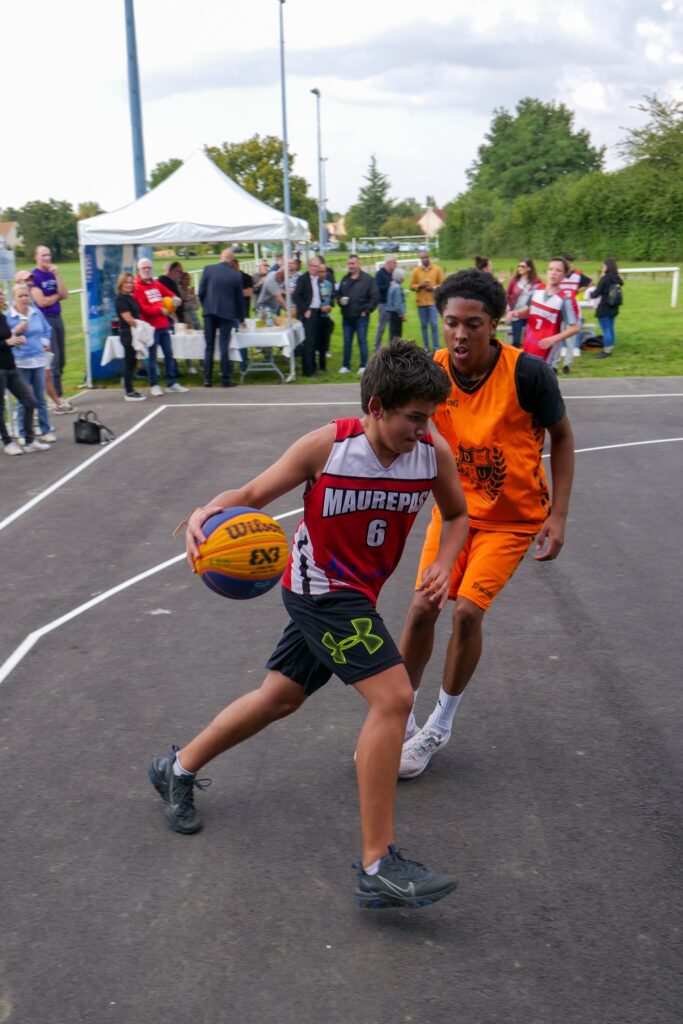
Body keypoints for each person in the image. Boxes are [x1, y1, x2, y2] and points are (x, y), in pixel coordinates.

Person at [148, 339, 469, 908]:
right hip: (321, 592)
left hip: (357, 594)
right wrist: (205, 512)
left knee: (279, 697)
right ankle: (377, 865)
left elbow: (458, 515)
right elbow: (249, 495)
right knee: (393, 699)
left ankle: (175, 767)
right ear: (376, 408)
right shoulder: (329, 447)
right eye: (414, 419)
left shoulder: (430, 452)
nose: (424, 430)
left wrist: (444, 561)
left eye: (430, 419)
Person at [397, 269, 575, 779]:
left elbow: (562, 437)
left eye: (472, 324)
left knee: (466, 615)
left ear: (494, 324)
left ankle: (438, 725)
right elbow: (401, 427)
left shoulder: (529, 374)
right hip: (455, 514)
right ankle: (399, 715)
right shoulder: (432, 372)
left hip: (512, 519)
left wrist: (558, 516)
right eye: (451, 322)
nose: (459, 335)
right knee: (421, 608)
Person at [5, 284, 56, 447]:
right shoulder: (8, 316)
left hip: (38, 360)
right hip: (20, 362)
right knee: (24, 400)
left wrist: (45, 341)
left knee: (40, 398)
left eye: (26, 295)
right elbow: (6, 338)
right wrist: (17, 331)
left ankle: (45, 430)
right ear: (14, 298)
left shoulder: (36, 312)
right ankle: (22, 432)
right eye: (20, 296)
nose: (24, 298)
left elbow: (47, 329)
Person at [133, 259, 188, 396]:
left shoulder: (156, 283)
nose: (147, 270)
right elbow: (142, 308)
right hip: (150, 328)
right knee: (152, 358)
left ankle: (171, 383)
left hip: (163, 325)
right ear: (139, 270)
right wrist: (159, 309)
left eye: (149, 268)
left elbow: (167, 292)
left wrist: (175, 298)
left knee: (169, 354)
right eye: (144, 268)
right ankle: (154, 384)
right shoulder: (137, 287)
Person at [30, 246, 71, 412]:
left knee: (61, 360)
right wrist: (57, 296)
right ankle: (57, 398)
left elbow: (65, 294)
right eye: (43, 255)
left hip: (58, 318)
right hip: (45, 320)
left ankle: (55, 394)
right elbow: (42, 302)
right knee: (53, 360)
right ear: (36, 257)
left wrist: (57, 275)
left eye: (49, 254)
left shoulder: (52, 274)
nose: (47, 258)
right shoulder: (35, 276)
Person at [197, 249, 245, 388]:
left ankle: (207, 378)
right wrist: (241, 316)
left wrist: (206, 305)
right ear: (231, 260)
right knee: (224, 346)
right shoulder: (235, 275)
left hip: (209, 312)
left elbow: (201, 292)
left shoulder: (208, 269)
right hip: (226, 313)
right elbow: (239, 299)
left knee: (209, 345)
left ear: (220, 257)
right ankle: (225, 379)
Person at [521, 257, 579, 370]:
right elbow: (528, 312)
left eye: (558, 270)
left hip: (547, 350)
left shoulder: (564, 300)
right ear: (546, 272)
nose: (553, 273)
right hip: (529, 343)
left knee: (541, 383)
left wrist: (553, 339)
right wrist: (515, 313)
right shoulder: (536, 290)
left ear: (563, 275)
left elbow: (575, 328)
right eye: (551, 269)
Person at [337, 254, 379, 375]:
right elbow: (339, 294)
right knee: (347, 342)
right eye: (349, 263)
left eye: (353, 263)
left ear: (358, 264)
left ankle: (363, 366)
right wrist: (340, 301)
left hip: (361, 317)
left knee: (362, 341)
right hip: (347, 317)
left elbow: (375, 297)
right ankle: (346, 366)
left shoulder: (367, 279)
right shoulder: (345, 279)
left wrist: (366, 310)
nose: (350, 266)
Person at [558, 254, 593, 374]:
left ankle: (567, 364)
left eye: (570, 262)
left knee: (570, 339)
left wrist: (578, 291)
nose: (568, 264)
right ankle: (554, 364)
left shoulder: (577, 275)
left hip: (572, 310)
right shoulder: (559, 274)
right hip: (559, 309)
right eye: (566, 262)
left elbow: (590, 282)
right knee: (557, 338)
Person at [115, 273, 146, 401]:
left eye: (131, 282)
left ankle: (130, 389)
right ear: (121, 284)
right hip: (128, 333)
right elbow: (127, 318)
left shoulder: (130, 297)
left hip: (134, 333)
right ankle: (129, 391)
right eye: (126, 282)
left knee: (132, 362)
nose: (129, 284)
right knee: (129, 362)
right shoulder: (121, 299)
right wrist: (141, 327)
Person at [293, 256, 323, 376]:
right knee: (309, 343)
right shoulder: (303, 278)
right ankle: (308, 371)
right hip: (309, 313)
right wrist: (305, 310)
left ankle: (313, 367)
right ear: (309, 266)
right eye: (314, 266)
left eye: (317, 266)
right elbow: (296, 296)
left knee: (315, 342)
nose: (316, 269)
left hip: (317, 312)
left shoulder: (316, 278)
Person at [409, 247, 444, 354]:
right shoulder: (416, 271)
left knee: (434, 325)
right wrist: (420, 286)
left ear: (429, 257)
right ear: (420, 258)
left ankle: (436, 347)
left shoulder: (437, 269)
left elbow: (442, 285)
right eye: (422, 257)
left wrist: (432, 288)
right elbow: (411, 286)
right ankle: (426, 347)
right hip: (421, 303)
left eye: (426, 257)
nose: (424, 259)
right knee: (424, 326)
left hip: (433, 302)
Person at [590, 258, 624, 359]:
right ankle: (610, 346)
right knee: (610, 327)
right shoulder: (616, 278)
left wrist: (589, 293)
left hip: (604, 306)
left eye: (603, 266)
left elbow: (596, 294)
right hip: (614, 306)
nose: (602, 268)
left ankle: (607, 351)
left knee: (606, 329)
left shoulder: (605, 278)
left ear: (608, 267)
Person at [505, 258, 541, 348]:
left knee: (531, 339)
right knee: (516, 341)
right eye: (519, 266)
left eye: (522, 266)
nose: (520, 268)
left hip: (530, 313)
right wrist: (508, 311)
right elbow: (507, 295)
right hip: (516, 314)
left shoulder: (536, 281)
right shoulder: (515, 281)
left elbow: (539, 296)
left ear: (529, 268)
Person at [373, 255, 397, 351]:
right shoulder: (380, 274)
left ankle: (392, 347)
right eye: (394, 262)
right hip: (384, 304)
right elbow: (377, 288)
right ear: (389, 263)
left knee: (393, 328)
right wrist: (389, 285)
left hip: (393, 305)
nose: (396, 264)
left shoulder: (393, 273)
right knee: (381, 327)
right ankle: (377, 347)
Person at [316, 257, 335, 371]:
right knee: (316, 342)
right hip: (317, 316)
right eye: (320, 272)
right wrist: (320, 308)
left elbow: (329, 299)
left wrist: (329, 307)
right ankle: (314, 365)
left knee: (324, 341)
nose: (323, 274)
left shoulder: (328, 284)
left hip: (326, 316)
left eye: (324, 271)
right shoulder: (314, 284)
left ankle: (323, 366)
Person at [385, 267, 407, 338]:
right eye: (403, 275)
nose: (404, 277)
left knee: (392, 333)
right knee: (397, 335)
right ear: (400, 277)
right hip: (396, 314)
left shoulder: (392, 285)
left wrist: (402, 293)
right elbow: (398, 304)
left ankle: (392, 348)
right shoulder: (397, 287)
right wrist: (402, 315)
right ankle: (395, 349)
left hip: (392, 313)